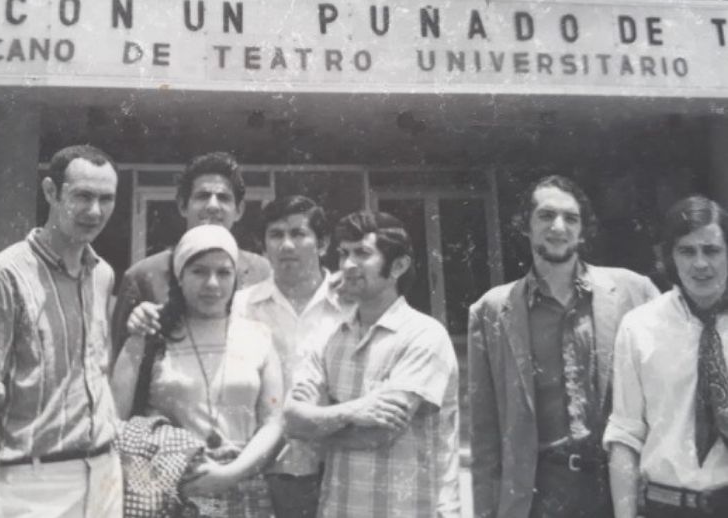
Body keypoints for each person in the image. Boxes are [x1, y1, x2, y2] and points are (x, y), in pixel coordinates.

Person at [468, 175, 660, 518]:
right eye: (546, 215)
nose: (559, 227)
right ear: (524, 225)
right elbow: (484, 436)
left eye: (571, 218)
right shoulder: (491, 311)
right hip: (539, 493)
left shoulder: (634, 292)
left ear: (583, 230)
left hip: (617, 489)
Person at [0, 145, 122, 518]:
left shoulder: (103, 275)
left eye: (106, 199)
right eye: (82, 196)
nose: (95, 211)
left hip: (105, 473)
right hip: (36, 482)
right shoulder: (2, 277)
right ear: (51, 192)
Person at [284, 210, 460, 518]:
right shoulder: (328, 338)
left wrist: (319, 425)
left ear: (399, 265)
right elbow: (293, 421)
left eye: (362, 253)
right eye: (343, 254)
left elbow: (379, 433)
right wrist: (354, 410)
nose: (347, 265)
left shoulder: (424, 335)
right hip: (338, 509)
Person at [111, 225, 285, 517]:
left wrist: (229, 474)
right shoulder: (153, 334)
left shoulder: (259, 336)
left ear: (236, 277)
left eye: (224, 272)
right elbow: (115, 414)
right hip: (169, 492)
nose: (212, 284)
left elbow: (273, 422)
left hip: (244, 486)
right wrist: (136, 338)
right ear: (179, 276)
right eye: (199, 271)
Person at [605, 195, 728, 518]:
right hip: (666, 507)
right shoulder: (639, 327)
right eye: (686, 251)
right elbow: (624, 433)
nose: (700, 263)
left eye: (711, 250)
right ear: (670, 257)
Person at [233, 195, 352, 518]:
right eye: (276, 235)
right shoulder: (241, 307)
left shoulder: (353, 306)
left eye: (298, 234)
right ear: (263, 246)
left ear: (323, 243)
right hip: (264, 467)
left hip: (339, 464)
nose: (287, 245)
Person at [111, 151, 270, 356]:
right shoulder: (142, 276)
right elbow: (120, 359)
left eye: (223, 197)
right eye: (202, 196)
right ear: (182, 206)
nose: (213, 206)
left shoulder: (261, 272)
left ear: (239, 210)